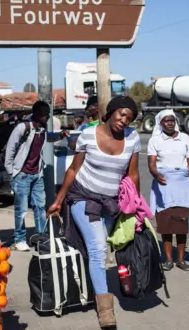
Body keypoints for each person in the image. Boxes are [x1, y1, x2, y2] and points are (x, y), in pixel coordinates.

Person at [47, 96, 141, 329]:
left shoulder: (133, 138)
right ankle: (105, 310)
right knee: (99, 250)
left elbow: (133, 175)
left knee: (98, 248)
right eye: (121, 114)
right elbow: (74, 169)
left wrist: (135, 206)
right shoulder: (88, 135)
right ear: (109, 113)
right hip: (83, 198)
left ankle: (89, 287)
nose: (124, 120)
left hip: (111, 203)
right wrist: (58, 200)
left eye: (129, 118)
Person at [5, 101, 68, 251]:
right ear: (37, 113)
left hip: (37, 174)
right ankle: (20, 238)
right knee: (21, 209)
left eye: (48, 113)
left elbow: (48, 138)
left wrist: (60, 135)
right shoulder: (23, 127)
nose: (47, 116)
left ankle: (41, 237)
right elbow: (10, 149)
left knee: (40, 207)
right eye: (45, 113)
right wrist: (11, 172)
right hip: (21, 175)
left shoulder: (42, 129)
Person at [148, 109, 189, 271]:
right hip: (164, 185)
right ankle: (169, 259)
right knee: (166, 224)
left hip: (183, 185)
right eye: (166, 121)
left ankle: (181, 259)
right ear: (160, 123)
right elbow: (152, 164)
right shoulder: (155, 140)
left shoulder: (185, 138)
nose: (169, 123)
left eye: (172, 120)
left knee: (182, 224)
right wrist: (155, 174)